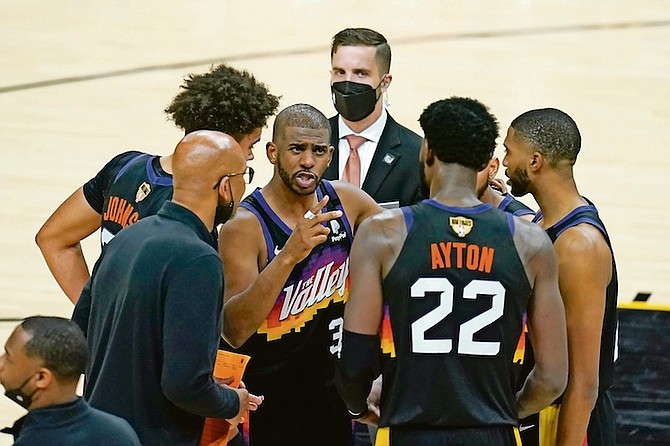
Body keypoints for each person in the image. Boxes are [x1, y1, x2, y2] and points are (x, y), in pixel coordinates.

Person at [335, 97, 569, 446]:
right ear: (484, 162)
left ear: (427, 149)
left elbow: (354, 363)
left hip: (408, 432)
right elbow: (552, 378)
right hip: (494, 433)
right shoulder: (531, 241)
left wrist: (358, 407)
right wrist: (505, 412)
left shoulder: (383, 234)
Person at [72, 131, 262, 446]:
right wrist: (232, 402)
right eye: (245, 176)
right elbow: (183, 385)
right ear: (225, 187)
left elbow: (77, 335)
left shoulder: (125, 238)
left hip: (98, 432)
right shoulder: (198, 260)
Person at [36, 63, 280, 304]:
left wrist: (95, 316)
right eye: (251, 145)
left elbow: (54, 239)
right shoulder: (194, 205)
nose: (249, 156)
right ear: (221, 144)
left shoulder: (125, 167)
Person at [218, 103, 382, 446]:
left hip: (333, 401)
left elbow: (402, 248)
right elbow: (233, 329)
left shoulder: (349, 203)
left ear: (330, 155)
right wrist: (289, 256)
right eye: (297, 149)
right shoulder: (244, 226)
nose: (308, 161)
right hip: (268, 407)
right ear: (272, 152)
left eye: (318, 151)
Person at [503, 108, 618, 446]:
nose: (505, 162)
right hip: (540, 414)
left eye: (509, 151)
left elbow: (584, 382)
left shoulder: (579, 246)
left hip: (569, 420)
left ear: (535, 161)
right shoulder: (546, 220)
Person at [0, 316, 140, 445]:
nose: (1, 364)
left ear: (41, 378)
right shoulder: (120, 432)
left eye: (8, 357)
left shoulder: (33, 441)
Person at [324, 27, 423, 207]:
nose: (348, 83)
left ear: (385, 82)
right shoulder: (309, 145)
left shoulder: (416, 154)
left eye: (361, 73)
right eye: (340, 72)